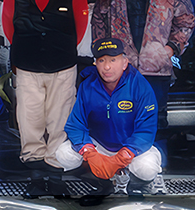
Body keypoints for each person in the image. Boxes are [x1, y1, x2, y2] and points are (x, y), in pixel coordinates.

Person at [1, 0, 89, 195]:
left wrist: (59, 48)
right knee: (30, 121)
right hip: (27, 67)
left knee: (59, 121)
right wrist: (28, 49)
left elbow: (80, 25)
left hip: (62, 66)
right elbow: (8, 23)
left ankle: (56, 175)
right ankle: (37, 176)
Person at [91, 0, 195, 135]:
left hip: (156, 69)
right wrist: (105, 57)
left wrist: (170, 49)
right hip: (121, 70)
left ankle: (156, 158)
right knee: (120, 122)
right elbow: (98, 21)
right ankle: (122, 158)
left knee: (155, 122)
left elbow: (186, 21)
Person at [55, 38, 164, 199]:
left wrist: (123, 156)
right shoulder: (87, 85)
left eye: (113, 60)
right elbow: (75, 125)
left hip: (130, 147)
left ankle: (136, 182)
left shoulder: (140, 85)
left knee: (147, 169)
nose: (107, 67)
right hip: (100, 144)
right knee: (63, 154)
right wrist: (89, 152)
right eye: (101, 61)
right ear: (95, 64)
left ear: (124, 63)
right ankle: (104, 182)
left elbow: (146, 129)